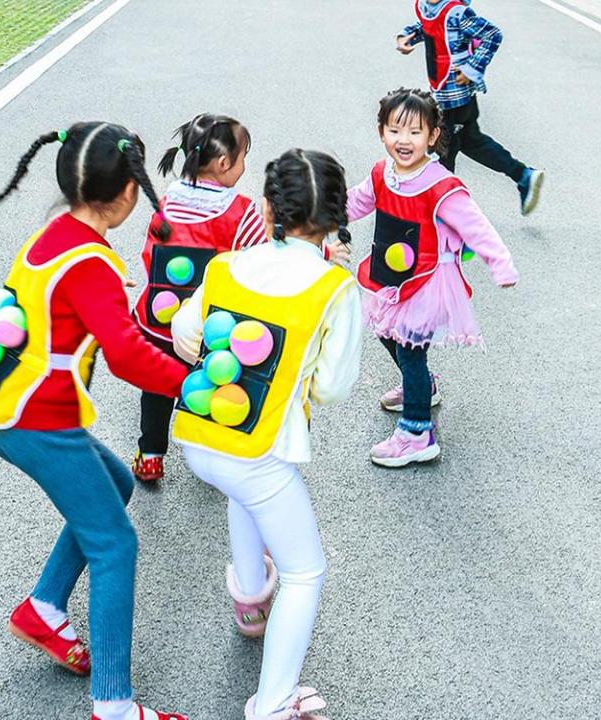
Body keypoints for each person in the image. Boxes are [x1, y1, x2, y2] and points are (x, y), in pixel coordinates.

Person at [0, 122, 188, 720]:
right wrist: (196, 384)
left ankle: (44, 611)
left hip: (15, 403)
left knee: (118, 484)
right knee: (115, 545)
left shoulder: (55, 235)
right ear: (129, 193)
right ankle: (114, 704)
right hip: (38, 420)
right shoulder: (93, 264)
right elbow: (129, 354)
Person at [171, 149, 362, 719]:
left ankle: (251, 599)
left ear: (266, 206)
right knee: (306, 571)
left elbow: (186, 331)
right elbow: (331, 387)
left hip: (201, 435)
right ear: (335, 216)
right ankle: (275, 702)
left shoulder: (227, 266)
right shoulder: (334, 288)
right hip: (261, 449)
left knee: (244, 495)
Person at [131, 113, 350, 483]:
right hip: (211, 327)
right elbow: (271, 252)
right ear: (222, 164)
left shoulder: (166, 202)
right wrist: (325, 255)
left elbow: (149, 255)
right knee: (216, 380)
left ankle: (151, 453)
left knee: (155, 388)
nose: (244, 166)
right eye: (243, 157)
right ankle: (214, 445)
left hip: (157, 319)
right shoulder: (241, 212)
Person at [348, 88, 518, 467]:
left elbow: (477, 228)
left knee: (410, 351)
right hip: (389, 275)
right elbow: (356, 201)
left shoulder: (440, 185)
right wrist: (321, 215)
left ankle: (416, 432)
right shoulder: (382, 172)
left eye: (414, 132)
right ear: (382, 132)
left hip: (426, 281)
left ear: (433, 136)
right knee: (386, 333)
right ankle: (423, 386)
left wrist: (501, 264)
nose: (403, 141)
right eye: (395, 130)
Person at [397, 0, 544, 215]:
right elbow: (426, 26)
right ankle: (523, 176)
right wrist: (406, 36)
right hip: (444, 95)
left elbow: (492, 35)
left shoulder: (457, 12)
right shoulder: (426, 6)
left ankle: (441, 210)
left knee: (442, 148)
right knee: (470, 142)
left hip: (456, 98)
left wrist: (471, 68)